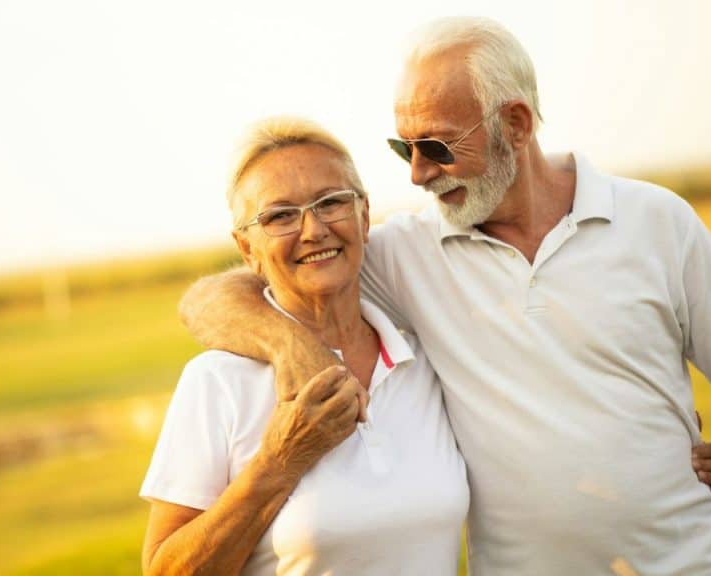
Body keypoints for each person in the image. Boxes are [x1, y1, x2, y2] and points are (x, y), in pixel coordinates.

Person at [178, 16, 711, 575]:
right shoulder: (408, 253)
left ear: (515, 123)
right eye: (403, 146)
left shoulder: (658, 221)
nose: (417, 172)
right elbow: (217, 296)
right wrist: (287, 343)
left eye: (435, 146)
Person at [140, 117, 470, 575]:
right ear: (247, 248)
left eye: (330, 202)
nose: (313, 230)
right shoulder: (216, 381)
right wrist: (278, 462)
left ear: (363, 215)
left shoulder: (424, 360)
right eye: (279, 216)